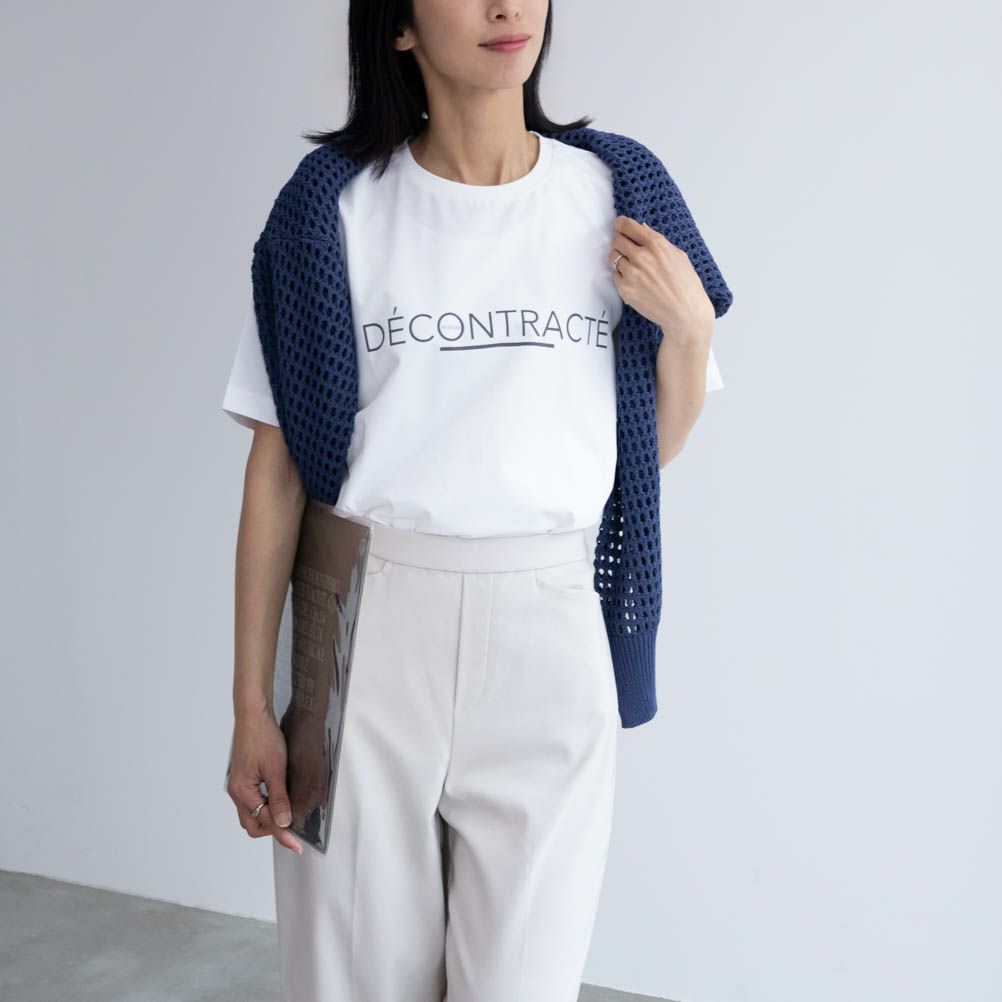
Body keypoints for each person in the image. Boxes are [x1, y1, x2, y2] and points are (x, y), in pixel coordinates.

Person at [222, 2, 729, 1000]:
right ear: (399, 27)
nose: (507, 5)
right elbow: (276, 474)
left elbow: (644, 455)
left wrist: (692, 332)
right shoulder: (330, 211)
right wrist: (249, 706)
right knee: (350, 979)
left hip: (552, 632)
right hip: (364, 628)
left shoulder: (618, 191)